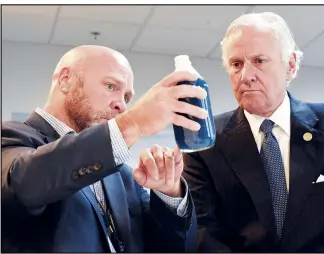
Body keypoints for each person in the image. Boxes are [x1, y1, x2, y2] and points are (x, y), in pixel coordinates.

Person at [182, 12, 324, 252]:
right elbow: (204, 237)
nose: (246, 76)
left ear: (291, 64)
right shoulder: (206, 142)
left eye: (259, 61)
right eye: (236, 64)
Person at [1, 45, 209, 252]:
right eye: (111, 86)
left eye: (127, 97)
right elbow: (21, 185)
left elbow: (169, 247)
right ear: (65, 80)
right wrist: (131, 124)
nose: (122, 105)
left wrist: (168, 193)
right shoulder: (10, 137)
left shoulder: (123, 175)